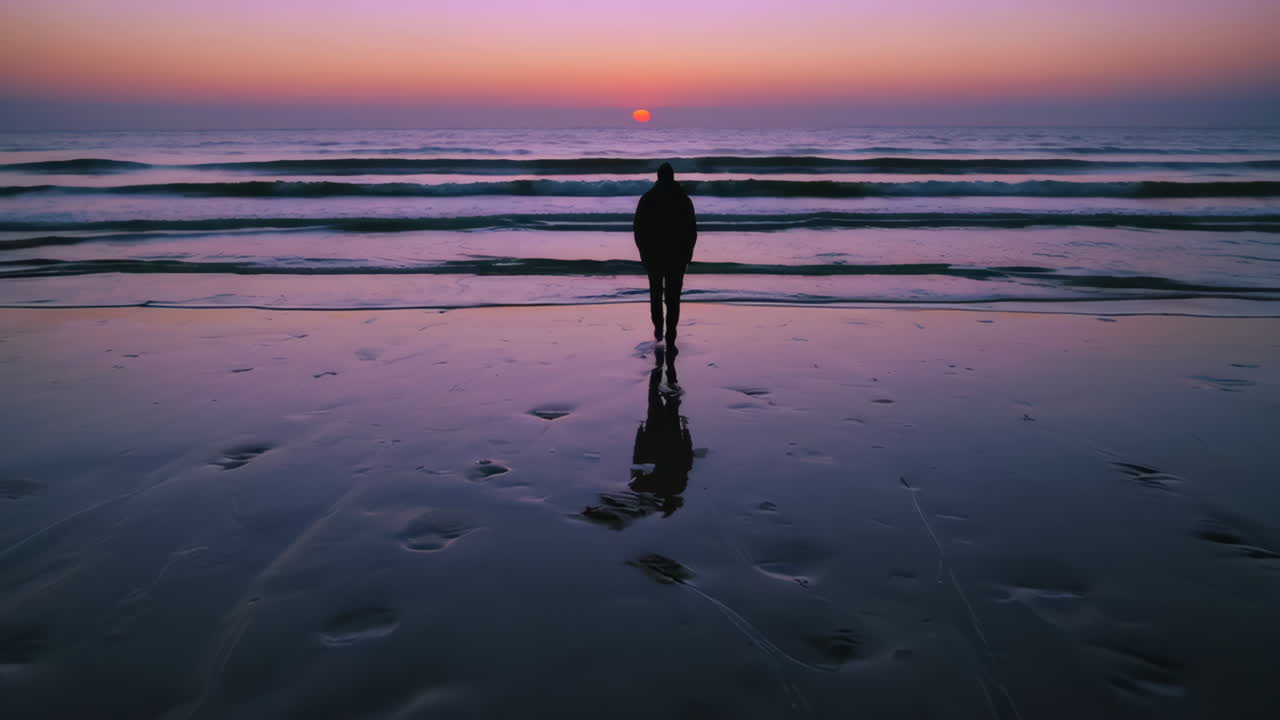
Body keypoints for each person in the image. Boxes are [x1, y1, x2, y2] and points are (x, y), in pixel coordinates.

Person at [633, 162, 697, 347]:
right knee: (673, 297)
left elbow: (638, 229)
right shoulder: (682, 199)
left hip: (653, 255)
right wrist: (688, 253)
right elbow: (691, 230)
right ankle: (671, 330)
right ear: (673, 176)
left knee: (655, 294)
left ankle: (658, 328)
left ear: (658, 177)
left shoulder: (648, 198)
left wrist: (643, 252)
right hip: (677, 256)